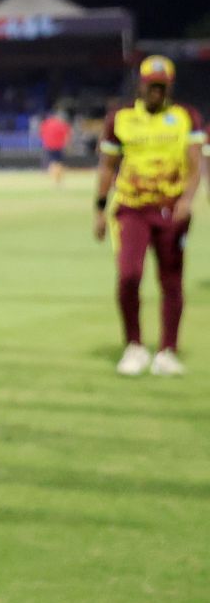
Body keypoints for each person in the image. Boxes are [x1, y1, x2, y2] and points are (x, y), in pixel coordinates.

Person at [94, 55, 202, 376]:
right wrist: (100, 209)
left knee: (171, 280)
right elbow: (107, 167)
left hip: (171, 209)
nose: (156, 92)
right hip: (131, 208)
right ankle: (135, 346)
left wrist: (186, 200)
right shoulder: (121, 118)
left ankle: (167, 351)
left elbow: (196, 166)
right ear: (141, 84)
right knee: (128, 275)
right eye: (151, 85)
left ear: (169, 86)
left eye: (162, 86)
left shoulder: (186, 117)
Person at [40, 107, 72, 184]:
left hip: (49, 146)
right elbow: (67, 136)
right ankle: (58, 179)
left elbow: (41, 133)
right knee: (58, 163)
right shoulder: (62, 124)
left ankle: (55, 179)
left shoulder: (46, 123)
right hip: (59, 146)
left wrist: (45, 143)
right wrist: (67, 146)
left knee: (52, 163)